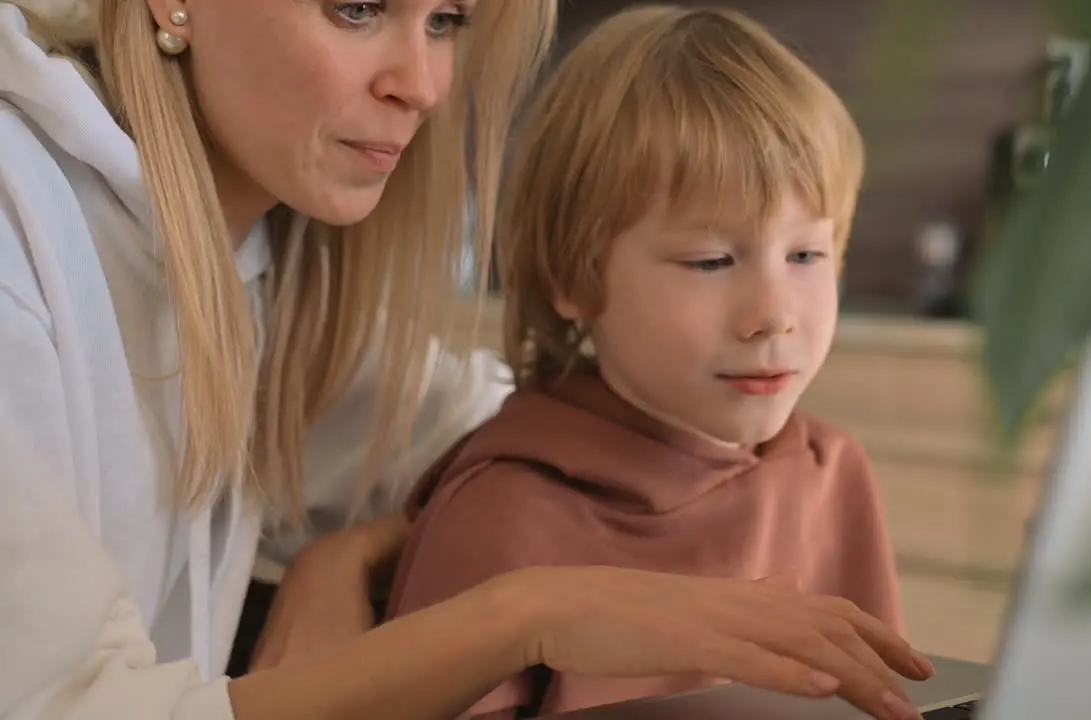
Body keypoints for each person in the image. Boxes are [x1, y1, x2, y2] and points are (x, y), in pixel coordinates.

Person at [0, 0, 932, 718]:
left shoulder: (259, 273)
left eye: (445, 19)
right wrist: (523, 613)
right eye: (357, 8)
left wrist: (345, 552)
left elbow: (480, 430)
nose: (425, 84)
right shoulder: (20, 240)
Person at [386, 5, 916, 719]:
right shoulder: (504, 513)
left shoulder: (834, 472)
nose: (773, 314)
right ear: (573, 278)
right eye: (710, 260)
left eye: (806, 255)